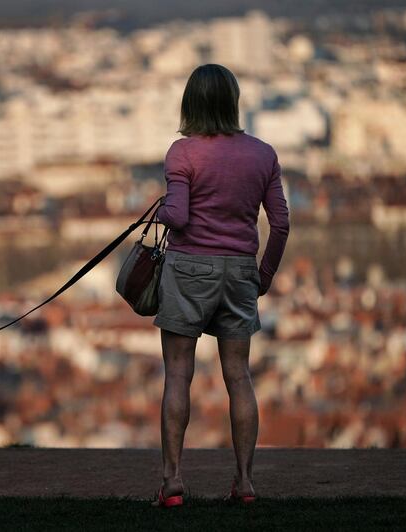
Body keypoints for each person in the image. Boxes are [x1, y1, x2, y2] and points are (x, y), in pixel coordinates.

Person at [151, 64, 290, 507]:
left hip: (189, 268)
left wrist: (160, 210)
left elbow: (179, 216)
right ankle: (245, 483)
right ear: (233, 101)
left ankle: (173, 483)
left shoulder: (183, 153)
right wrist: (263, 275)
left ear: (190, 103)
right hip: (240, 271)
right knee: (239, 376)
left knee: (177, 374)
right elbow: (281, 223)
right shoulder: (263, 154)